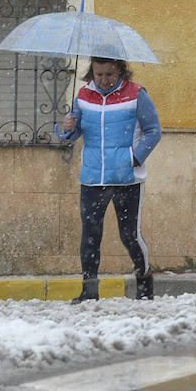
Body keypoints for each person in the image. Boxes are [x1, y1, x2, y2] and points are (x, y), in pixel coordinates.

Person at [59, 57, 163, 303]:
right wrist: (68, 127)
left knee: (129, 235)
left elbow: (153, 131)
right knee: (90, 234)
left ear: (120, 72)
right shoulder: (83, 96)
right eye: (99, 75)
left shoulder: (136, 94)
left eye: (110, 75)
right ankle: (89, 290)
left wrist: (134, 159)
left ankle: (144, 283)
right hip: (93, 178)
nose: (104, 80)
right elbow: (72, 134)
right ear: (91, 73)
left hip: (127, 179)